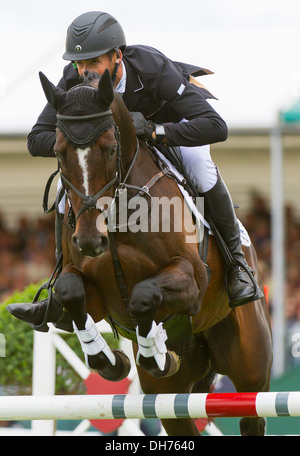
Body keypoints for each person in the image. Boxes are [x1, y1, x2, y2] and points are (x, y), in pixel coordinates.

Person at [8, 11, 262, 331]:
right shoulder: (73, 79)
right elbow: (36, 139)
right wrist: (73, 143)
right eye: (79, 64)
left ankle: (237, 266)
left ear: (116, 56)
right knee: (65, 190)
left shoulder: (153, 69)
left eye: (93, 63)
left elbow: (215, 126)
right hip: (111, 152)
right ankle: (58, 282)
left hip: (172, 128)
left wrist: (156, 130)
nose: (84, 72)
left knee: (200, 167)